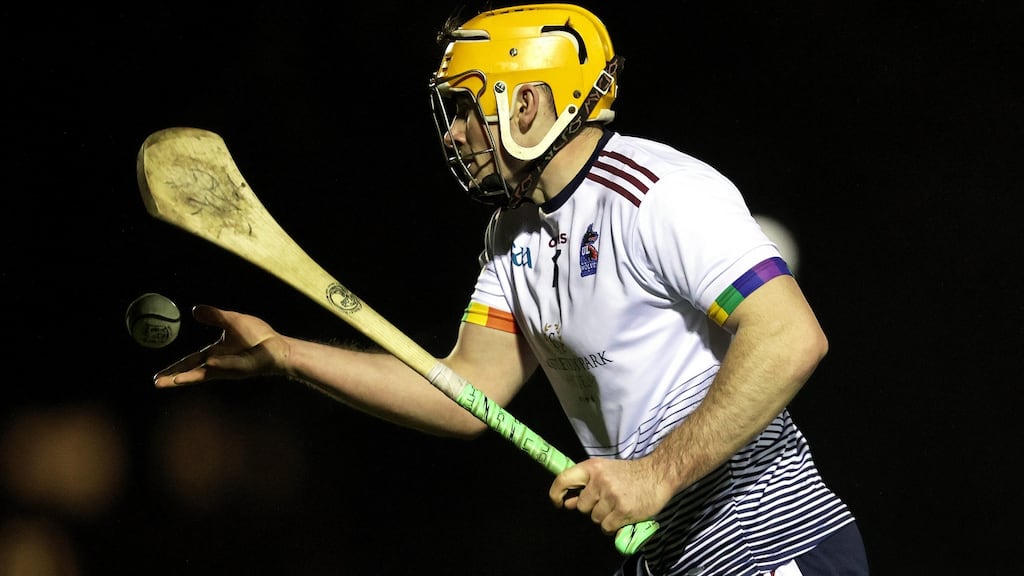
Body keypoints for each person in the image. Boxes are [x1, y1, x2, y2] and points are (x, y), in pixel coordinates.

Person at [154, 4, 868, 575]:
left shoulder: (657, 192)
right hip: (672, 557)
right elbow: (467, 393)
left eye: (467, 107)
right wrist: (287, 356)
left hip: (772, 547)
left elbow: (791, 337)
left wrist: (654, 475)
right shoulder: (511, 234)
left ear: (527, 102)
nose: (454, 134)